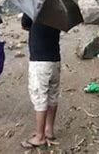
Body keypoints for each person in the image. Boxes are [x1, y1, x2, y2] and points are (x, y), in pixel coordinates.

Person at [20, 14, 61, 149]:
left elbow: (25, 24)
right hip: (55, 59)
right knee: (52, 95)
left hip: (40, 61)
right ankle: (48, 130)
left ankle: (40, 137)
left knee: (40, 97)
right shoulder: (58, 10)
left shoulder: (35, 6)